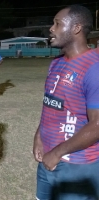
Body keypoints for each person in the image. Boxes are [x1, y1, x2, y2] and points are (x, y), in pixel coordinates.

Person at [33, 5, 99, 200]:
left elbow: (97, 124)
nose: (51, 29)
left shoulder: (94, 68)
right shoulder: (56, 62)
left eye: (57, 23)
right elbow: (51, 104)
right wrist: (39, 136)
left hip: (77, 167)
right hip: (48, 162)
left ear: (76, 28)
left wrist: (57, 152)